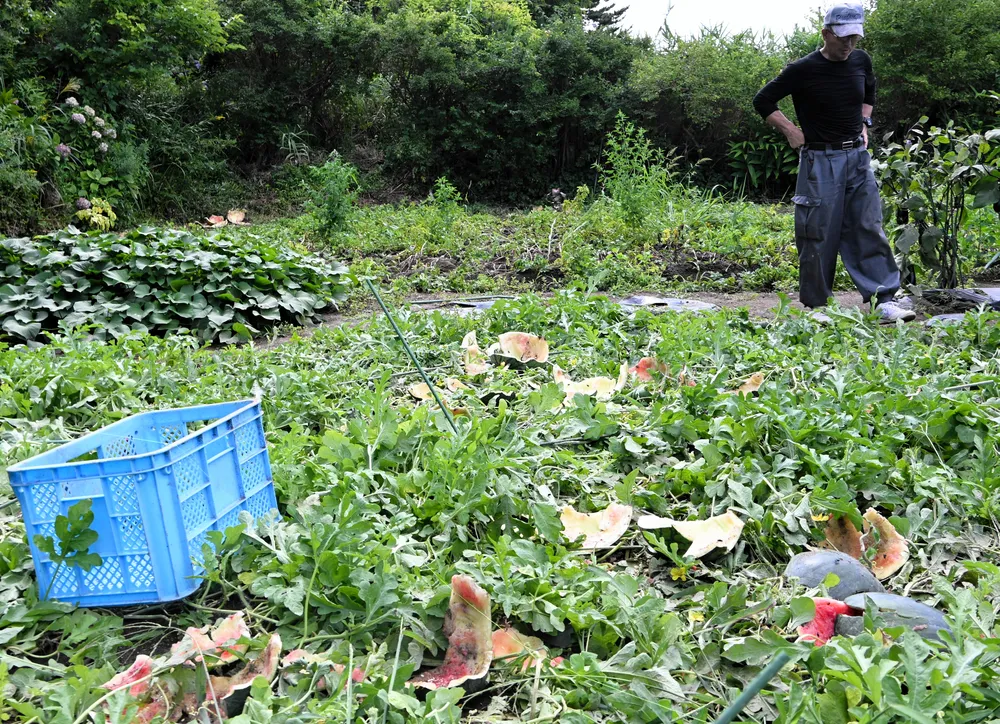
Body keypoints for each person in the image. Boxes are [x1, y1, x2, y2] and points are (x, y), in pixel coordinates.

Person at [753, 2, 915, 323]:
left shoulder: (860, 60)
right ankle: (818, 308)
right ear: (827, 33)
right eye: (844, 38)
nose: (849, 45)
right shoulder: (803, 69)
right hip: (820, 159)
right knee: (817, 231)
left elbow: (869, 92)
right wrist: (789, 130)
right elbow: (763, 100)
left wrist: (865, 124)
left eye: (855, 38)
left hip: (856, 157)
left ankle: (883, 300)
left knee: (867, 226)